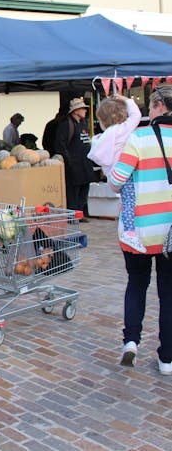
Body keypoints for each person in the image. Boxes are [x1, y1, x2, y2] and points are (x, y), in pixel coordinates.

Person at [108, 85, 172, 375]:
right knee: (168, 293)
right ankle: (167, 358)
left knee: (137, 285)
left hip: (139, 232)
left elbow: (116, 181)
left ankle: (131, 341)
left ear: (159, 106)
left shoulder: (140, 138)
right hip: (170, 232)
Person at [88, 95, 143, 252]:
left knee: (127, 202)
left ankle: (129, 230)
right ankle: (130, 232)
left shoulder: (103, 137)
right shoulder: (123, 129)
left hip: (114, 174)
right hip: (128, 171)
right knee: (131, 201)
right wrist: (125, 99)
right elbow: (137, 114)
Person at [55, 98, 94, 217]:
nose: (85, 111)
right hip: (74, 166)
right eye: (83, 108)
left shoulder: (83, 124)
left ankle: (80, 214)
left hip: (85, 164)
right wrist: (68, 161)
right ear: (76, 111)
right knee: (73, 192)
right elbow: (60, 145)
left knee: (84, 190)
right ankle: (73, 216)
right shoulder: (66, 125)